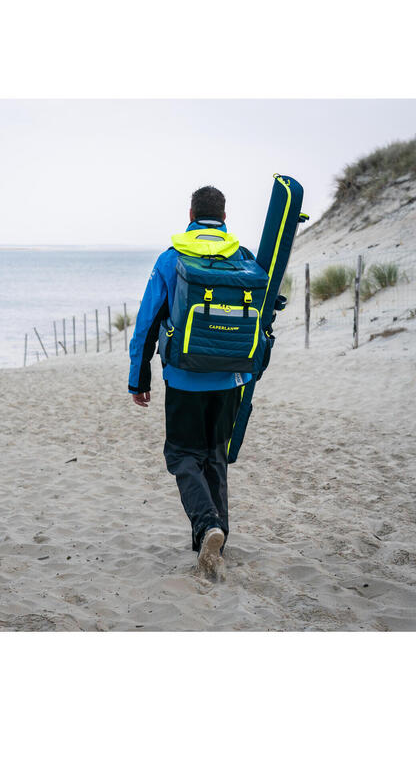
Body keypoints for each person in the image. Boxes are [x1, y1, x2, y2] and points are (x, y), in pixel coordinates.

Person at [128, 185, 253, 578]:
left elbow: (147, 321)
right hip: (232, 377)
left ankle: (206, 526)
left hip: (184, 379)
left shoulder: (171, 258)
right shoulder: (243, 257)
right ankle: (217, 541)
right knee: (215, 456)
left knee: (183, 456)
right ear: (224, 217)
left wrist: (139, 377)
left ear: (191, 213)